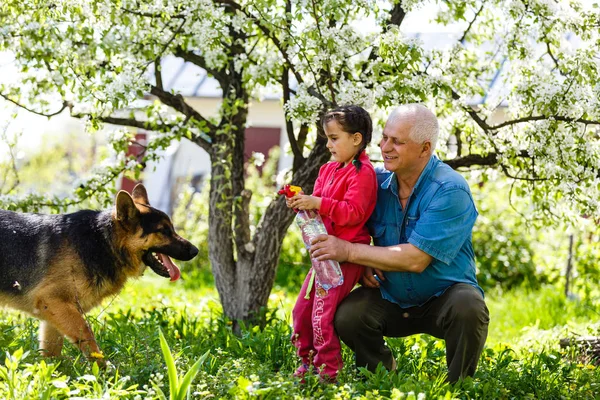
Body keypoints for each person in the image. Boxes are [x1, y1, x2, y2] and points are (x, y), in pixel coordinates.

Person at [309, 104, 490, 383]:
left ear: (424, 148)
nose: (385, 147)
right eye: (384, 137)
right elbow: (354, 226)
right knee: (348, 314)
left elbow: (415, 259)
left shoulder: (450, 189)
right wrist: (365, 260)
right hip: (390, 296)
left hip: (443, 297)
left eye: (397, 141)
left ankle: (459, 386)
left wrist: (351, 252)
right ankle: (381, 377)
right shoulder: (374, 181)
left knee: (469, 306)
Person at [286, 105, 378, 382]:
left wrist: (318, 203)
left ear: (356, 138)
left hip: (345, 255)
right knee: (302, 311)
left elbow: (354, 212)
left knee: (322, 314)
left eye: (334, 138)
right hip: (324, 253)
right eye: (327, 138)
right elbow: (320, 207)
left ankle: (328, 373)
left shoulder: (363, 173)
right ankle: (306, 366)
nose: (328, 144)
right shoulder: (328, 170)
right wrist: (303, 203)